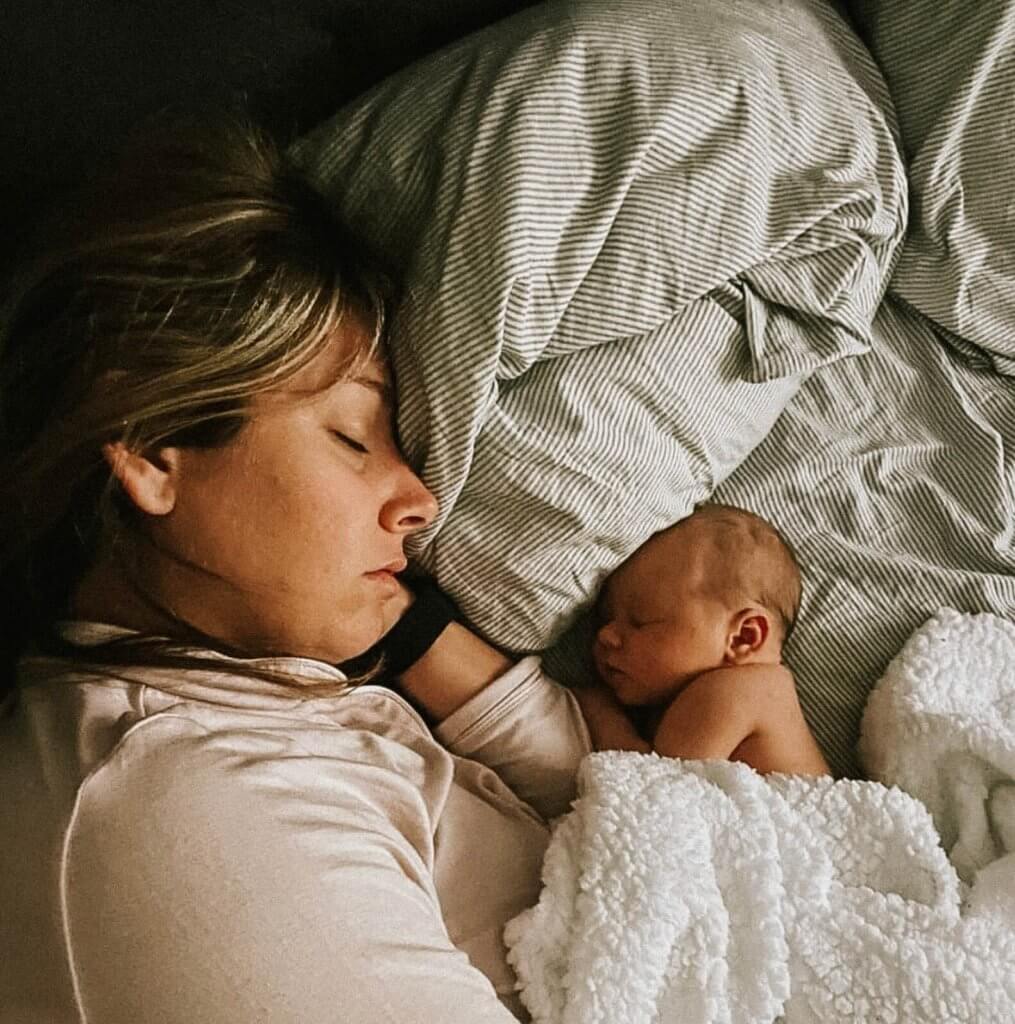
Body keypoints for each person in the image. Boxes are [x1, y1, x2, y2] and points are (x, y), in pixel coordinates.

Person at [0, 113, 591, 1023]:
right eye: (351, 436)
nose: (420, 499)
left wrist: (415, 633)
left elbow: (602, 799)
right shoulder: (178, 811)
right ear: (154, 449)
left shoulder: (244, 704)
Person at [575, 504, 831, 776]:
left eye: (640, 620)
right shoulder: (674, 698)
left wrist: (603, 715)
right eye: (606, 618)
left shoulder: (741, 690)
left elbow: (656, 782)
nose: (605, 635)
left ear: (743, 637)